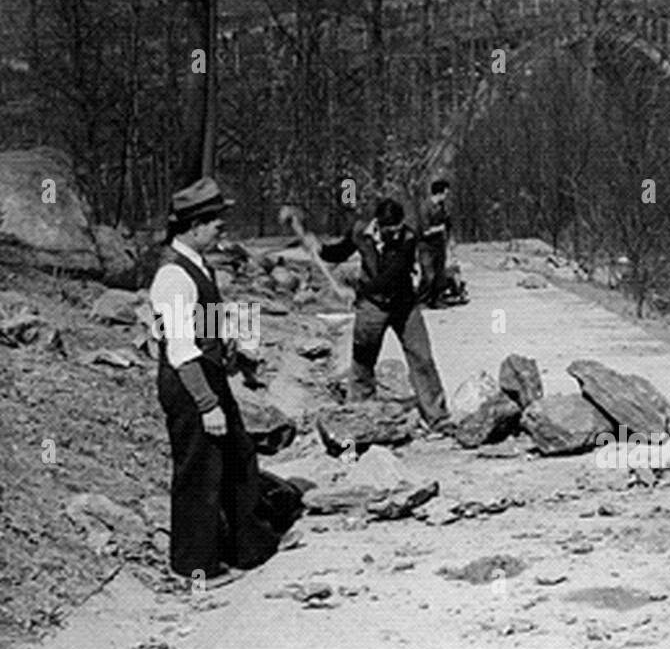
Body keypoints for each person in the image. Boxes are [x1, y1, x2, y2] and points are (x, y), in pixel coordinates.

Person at [150, 177, 297, 587]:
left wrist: (238, 353)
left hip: (209, 374)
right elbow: (180, 346)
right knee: (199, 473)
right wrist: (206, 403)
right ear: (193, 226)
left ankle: (250, 548)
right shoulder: (172, 276)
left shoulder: (199, 266)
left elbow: (207, 324)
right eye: (215, 221)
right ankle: (193, 568)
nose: (222, 228)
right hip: (189, 383)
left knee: (239, 458)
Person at [311, 199, 449, 428]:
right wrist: (321, 249)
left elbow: (394, 274)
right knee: (363, 360)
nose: (394, 234)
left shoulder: (408, 237)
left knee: (421, 356)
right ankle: (360, 413)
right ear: (379, 225)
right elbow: (341, 251)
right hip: (372, 307)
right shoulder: (360, 232)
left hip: (404, 304)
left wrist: (357, 290)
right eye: (389, 231)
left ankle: (437, 416)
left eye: (397, 229)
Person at [416, 178, 454, 308]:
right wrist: (439, 229)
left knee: (439, 274)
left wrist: (449, 240)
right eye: (445, 193)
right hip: (426, 245)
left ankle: (437, 299)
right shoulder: (425, 207)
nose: (446, 196)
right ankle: (422, 300)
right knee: (428, 275)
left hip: (439, 244)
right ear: (439, 193)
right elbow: (425, 230)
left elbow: (448, 224)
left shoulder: (442, 207)